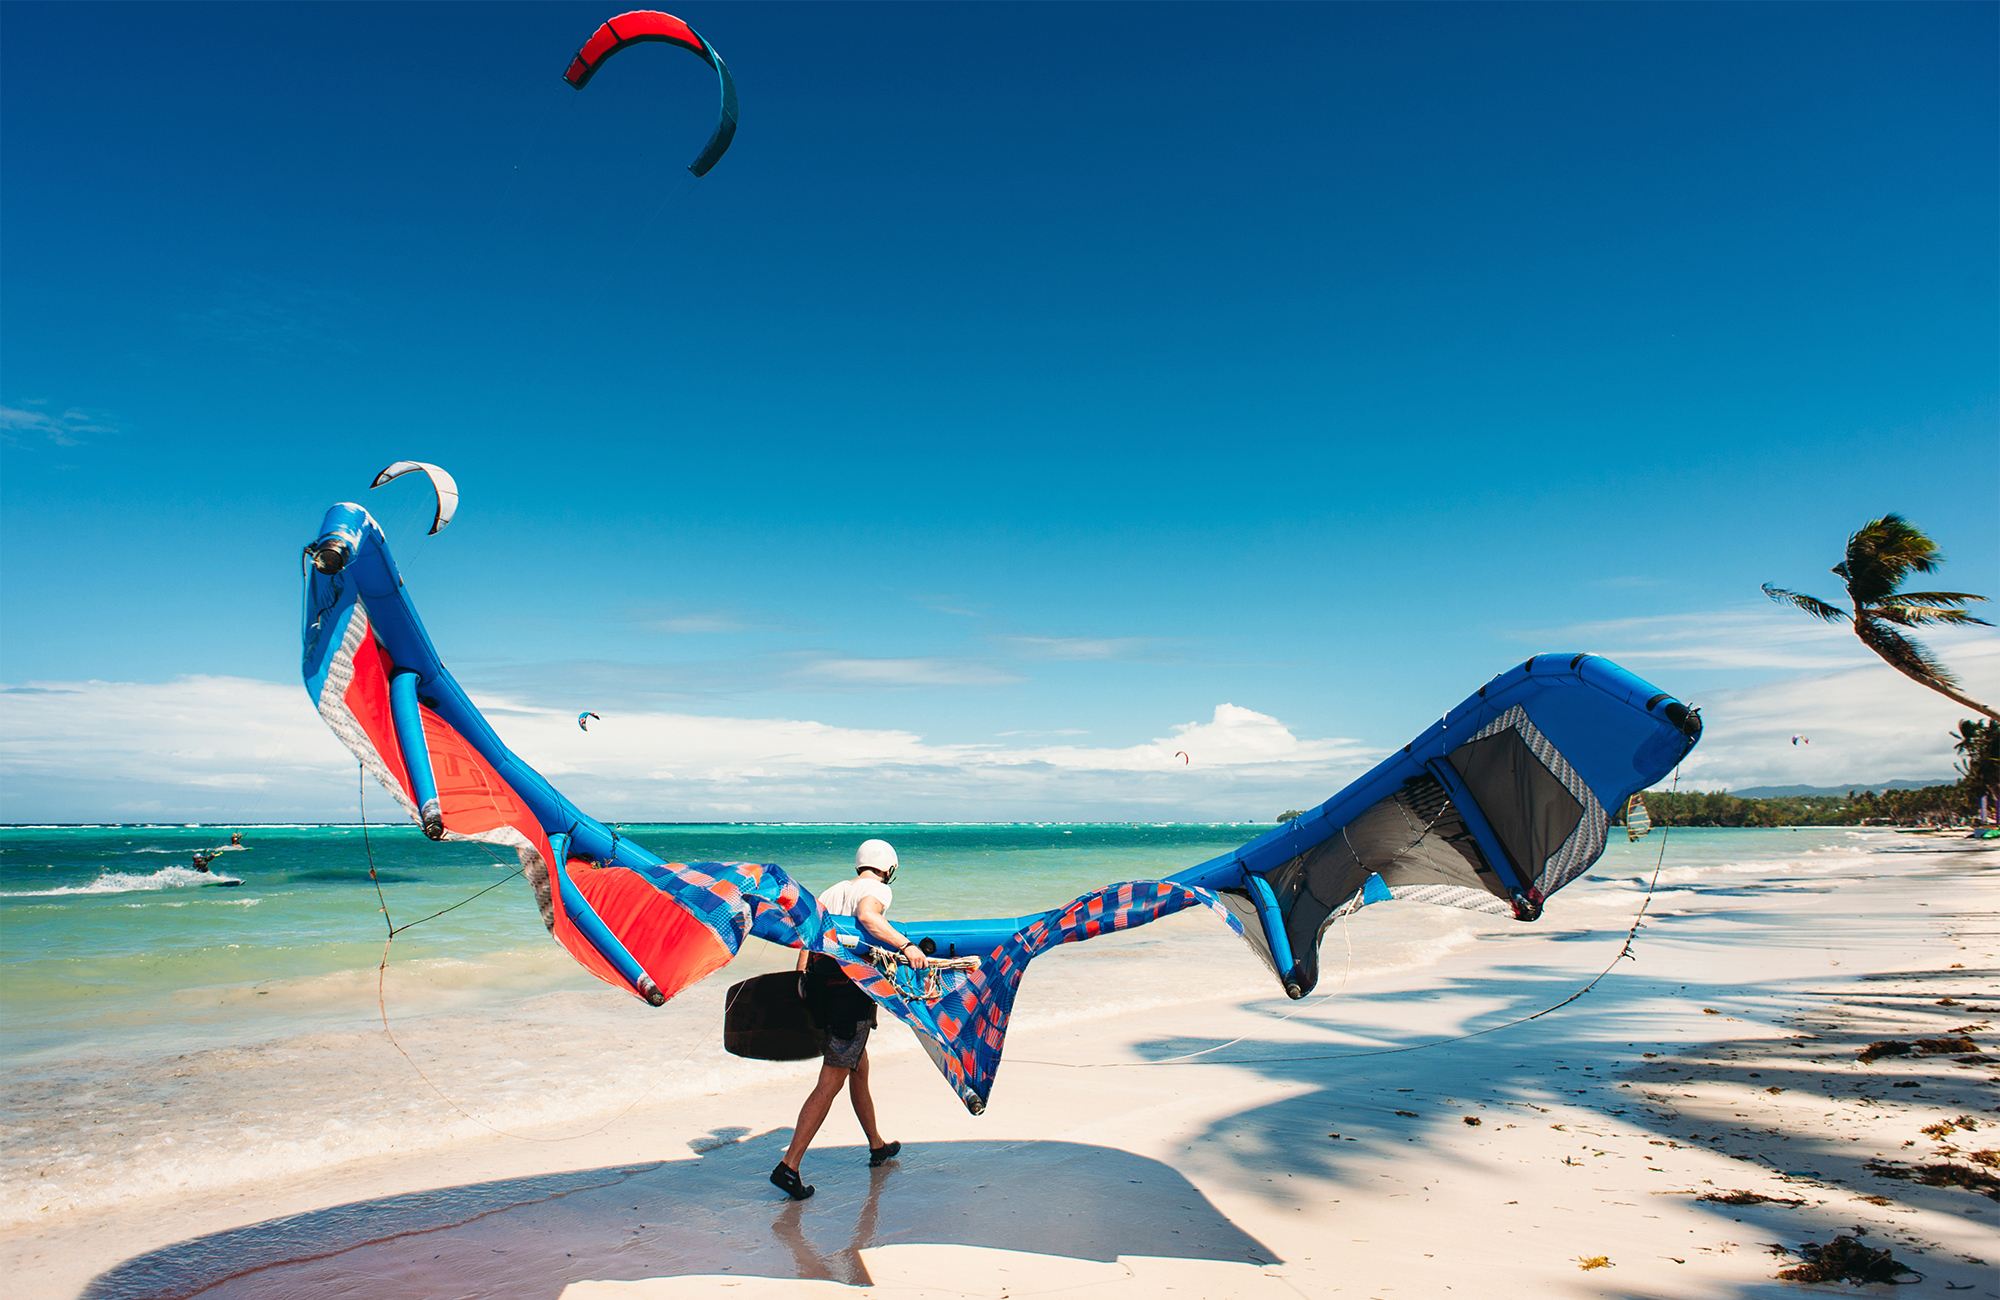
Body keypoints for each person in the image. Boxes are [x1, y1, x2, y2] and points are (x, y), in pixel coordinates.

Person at [770, 838, 929, 1201]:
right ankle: (789, 1166)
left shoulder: (833, 889)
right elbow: (868, 918)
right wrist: (907, 946)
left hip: (823, 989)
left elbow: (808, 937)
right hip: (849, 996)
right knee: (830, 1082)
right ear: (889, 868)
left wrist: (801, 979)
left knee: (859, 1067)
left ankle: (876, 1145)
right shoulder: (877, 890)